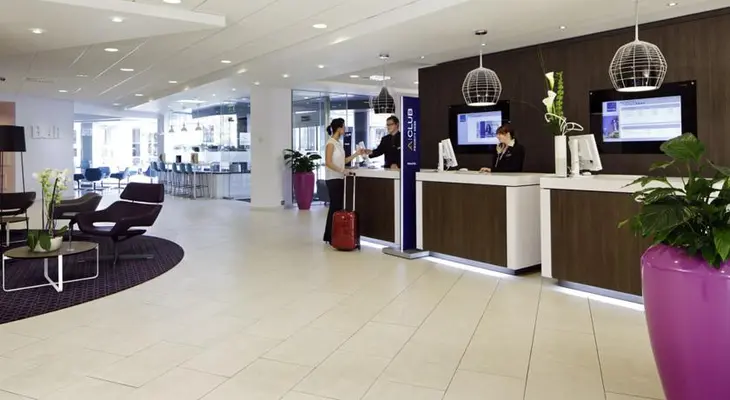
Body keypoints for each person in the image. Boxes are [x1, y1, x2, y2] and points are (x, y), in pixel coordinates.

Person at [323, 118, 364, 244]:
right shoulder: (330, 143)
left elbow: (343, 161)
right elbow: (328, 162)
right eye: (343, 127)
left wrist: (356, 154)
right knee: (335, 207)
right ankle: (329, 236)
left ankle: (334, 235)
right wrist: (342, 170)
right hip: (333, 179)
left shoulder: (338, 143)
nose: (345, 129)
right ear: (339, 128)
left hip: (340, 178)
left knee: (338, 207)